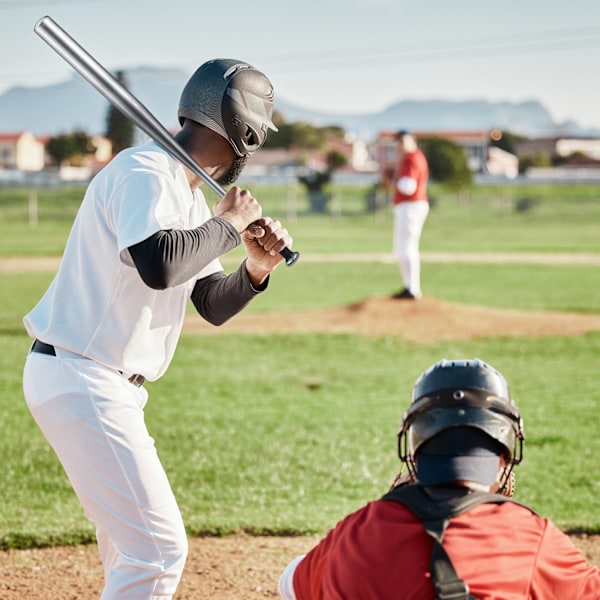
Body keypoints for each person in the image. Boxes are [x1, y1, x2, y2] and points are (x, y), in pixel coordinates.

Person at [22, 58, 294, 599]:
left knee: (132, 548)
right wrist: (228, 224)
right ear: (246, 131)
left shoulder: (187, 194)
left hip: (97, 383)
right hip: (84, 377)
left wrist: (255, 268)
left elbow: (211, 302)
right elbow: (160, 262)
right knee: (159, 550)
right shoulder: (143, 171)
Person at [278, 358, 600, 599]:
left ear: (414, 450)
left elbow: (290, 585)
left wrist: (389, 513)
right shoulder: (533, 539)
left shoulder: (356, 534)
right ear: (505, 454)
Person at [387, 130, 429, 300]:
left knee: (406, 247)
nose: (400, 145)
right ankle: (410, 287)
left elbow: (407, 187)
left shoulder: (411, 158)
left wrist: (392, 181)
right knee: (404, 247)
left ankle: (412, 289)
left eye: (403, 141)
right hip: (411, 205)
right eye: (398, 141)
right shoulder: (412, 157)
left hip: (411, 205)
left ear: (413, 141)